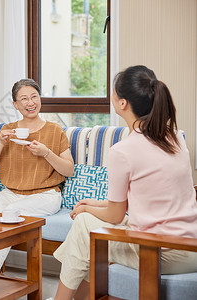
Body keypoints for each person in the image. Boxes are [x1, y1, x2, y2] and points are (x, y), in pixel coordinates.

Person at [50, 65, 197, 300]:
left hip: (161, 251)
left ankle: (61, 299)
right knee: (86, 229)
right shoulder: (175, 137)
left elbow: (116, 216)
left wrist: (86, 208)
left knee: (83, 226)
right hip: (190, 245)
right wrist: (94, 203)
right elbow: (141, 200)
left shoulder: (123, 151)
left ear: (122, 104)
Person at [0, 79, 75, 274]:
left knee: (11, 211)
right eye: (24, 99)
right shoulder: (7, 130)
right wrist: (0, 143)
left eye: (34, 97)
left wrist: (46, 153)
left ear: (40, 99)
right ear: (15, 104)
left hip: (46, 195)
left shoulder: (55, 130)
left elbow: (69, 170)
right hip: (12, 192)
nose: (30, 103)